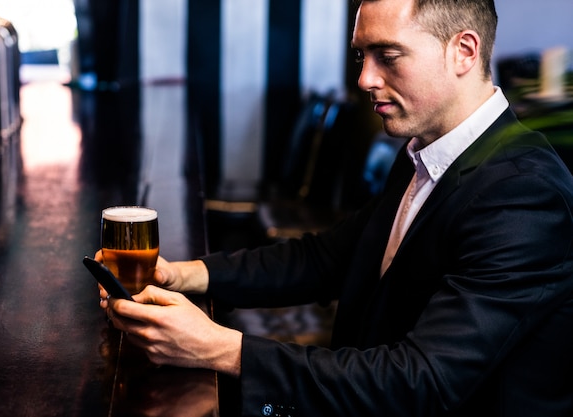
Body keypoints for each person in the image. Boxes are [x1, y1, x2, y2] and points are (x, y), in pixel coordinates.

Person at [98, 0, 573, 415]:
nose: (365, 78)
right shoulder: (426, 151)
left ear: (464, 51)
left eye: (387, 56)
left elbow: (422, 382)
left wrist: (220, 348)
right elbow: (325, 258)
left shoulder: (524, 193)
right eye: (362, 56)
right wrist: (180, 274)